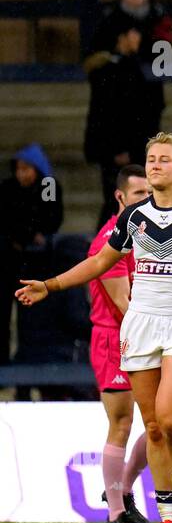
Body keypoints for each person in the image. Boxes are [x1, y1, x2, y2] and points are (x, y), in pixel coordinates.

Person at [17, 133, 172, 523]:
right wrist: (51, 285)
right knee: (152, 426)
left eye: (164, 160)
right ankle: (169, 515)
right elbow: (100, 261)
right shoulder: (133, 218)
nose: (154, 165)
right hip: (140, 324)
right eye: (150, 159)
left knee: (171, 419)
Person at [86, 165, 151, 523]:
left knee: (159, 422)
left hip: (144, 335)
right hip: (116, 338)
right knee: (122, 421)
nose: (146, 199)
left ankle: (123, 490)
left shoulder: (148, 235)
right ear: (120, 197)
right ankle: (115, 510)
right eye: (139, 194)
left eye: (150, 193)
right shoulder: (109, 241)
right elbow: (122, 303)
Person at [84, 16, 164, 225]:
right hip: (119, 152)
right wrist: (116, 149)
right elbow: (109, 115)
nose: (138, 38)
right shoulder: (111, 72)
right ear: (123, 37)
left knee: (137, 203)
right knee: (118, 201)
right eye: (133, 33)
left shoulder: (138, 67)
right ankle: (105, 249)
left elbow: (151, 108)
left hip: (136, 148)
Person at [0, 144, 64, 367]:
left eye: (27, 168)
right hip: (9, 263)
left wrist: (31, 233)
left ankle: (33, 364)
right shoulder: (8, 188)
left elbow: (51, 218)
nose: (22, 174)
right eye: (19, 169)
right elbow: (7, 221)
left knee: (33, 319)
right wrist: (27, 233)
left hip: (38, 265)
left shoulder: (48, 185)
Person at [92, 0, 172, 68]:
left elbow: (164, 44)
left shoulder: (157, 14)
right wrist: (119, 46)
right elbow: (99, 44)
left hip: (151, 66)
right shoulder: (112, 14)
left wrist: (142, 43)